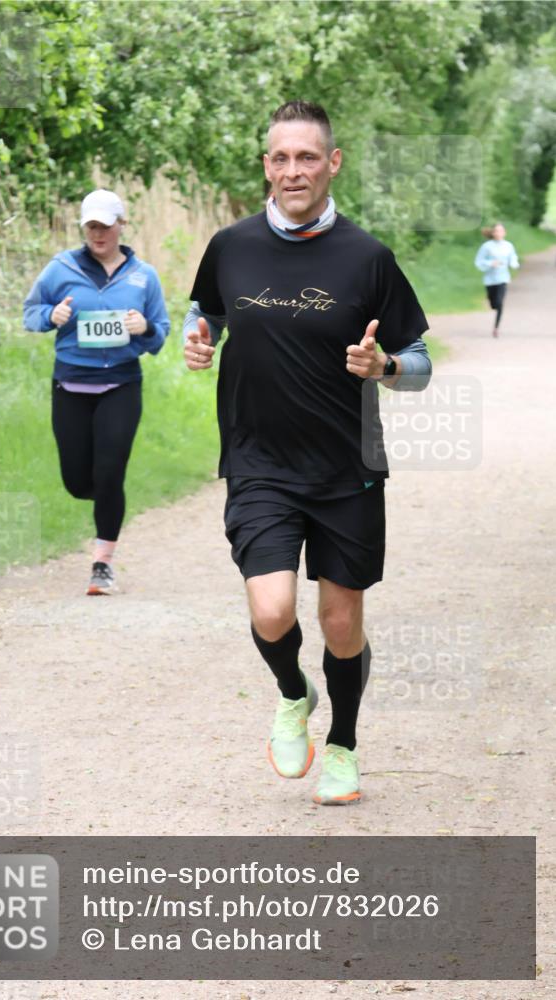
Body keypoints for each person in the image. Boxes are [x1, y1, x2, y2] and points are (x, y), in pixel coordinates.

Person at [183, 101, 431, 806]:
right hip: (258, 461)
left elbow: (418, 362)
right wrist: (197, 340)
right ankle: (294, 693)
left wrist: (385, 367)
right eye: (281, 158)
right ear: (267, 166)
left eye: (307, 157)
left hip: (347, 468)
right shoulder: (230, 246)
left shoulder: (368, 257)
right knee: (271, 611)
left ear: (332, 164)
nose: (293, 170)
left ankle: (343, 746)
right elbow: (206, 314)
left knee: (340, 622)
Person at [24, 189, 170, 594]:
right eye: (91, 226)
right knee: (76, 481)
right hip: (70, 385)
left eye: (105, 226)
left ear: (122, 225)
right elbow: (30, 313)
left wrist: (146, 327)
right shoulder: (61, 268)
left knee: (109, 472)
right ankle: (105, 494)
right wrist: (51, 315)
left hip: (121, 385)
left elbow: (161, 332)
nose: (98, 233)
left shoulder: (143, 275)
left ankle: (102, 564)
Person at [474, 222, 519, 337]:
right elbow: (479, 261)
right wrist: (490, 263)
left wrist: (513, 264)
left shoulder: (508, 246)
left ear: (504, 233)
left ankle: (496, 328)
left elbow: (513, 258)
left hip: (503, 278)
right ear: (493, 233)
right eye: (496, 231)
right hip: (490, 280)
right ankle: (493, 304)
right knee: (493, 304)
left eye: (501, 231)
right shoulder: (487, 246)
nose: (498, 233)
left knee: (499, 303)